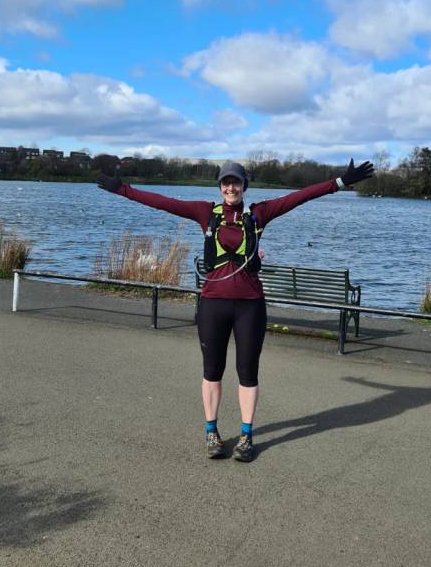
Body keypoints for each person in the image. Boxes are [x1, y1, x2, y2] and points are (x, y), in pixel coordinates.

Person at [97, 158, 373, 462]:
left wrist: (340, 183)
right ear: (220, 187)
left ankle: (246, 436)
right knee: (212, 372)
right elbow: (163, 202)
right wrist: (122, 190)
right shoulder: (206, 213)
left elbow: (300, 196)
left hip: (250, 307)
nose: (231, 187)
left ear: (244, 186)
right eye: (226, 182)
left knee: (247, 373)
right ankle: (212, 432)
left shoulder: (259, 214)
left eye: (236, 182)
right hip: (213, 304)